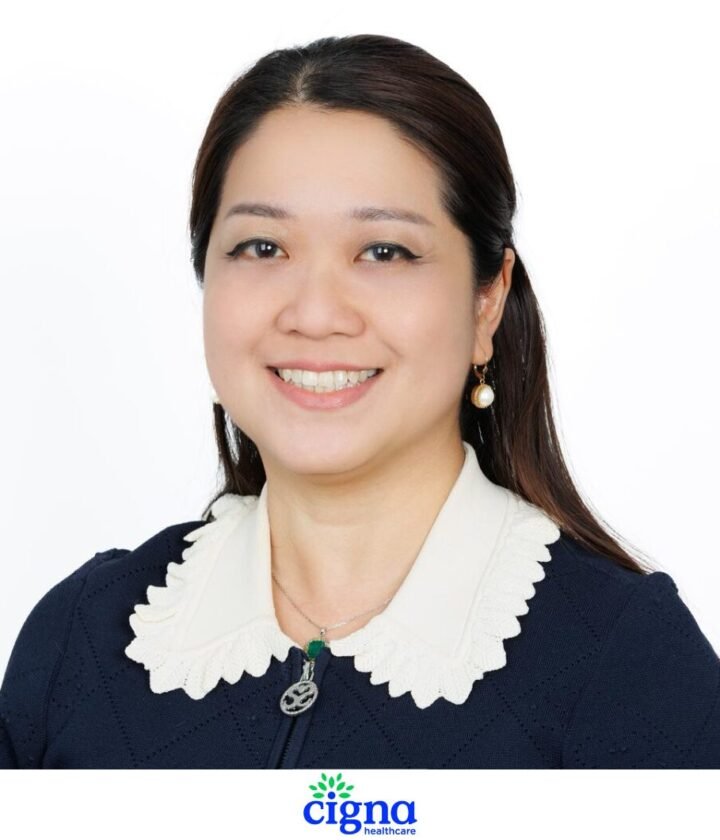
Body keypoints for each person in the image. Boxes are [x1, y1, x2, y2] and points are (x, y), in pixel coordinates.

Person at [1, 33, 719, 770]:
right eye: (262, 248)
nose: (315, 314)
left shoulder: (631, 666)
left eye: (384, 251)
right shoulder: (79, 639)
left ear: (487, 301)